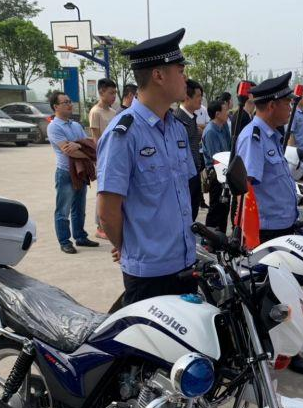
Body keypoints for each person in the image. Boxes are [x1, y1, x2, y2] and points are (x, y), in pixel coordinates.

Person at [97, 27, 197, 305]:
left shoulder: (176, 128)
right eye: (180, 69)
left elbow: (182, 194)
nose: (185, 77)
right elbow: (107, 211)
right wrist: (128, 248)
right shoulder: (124, 133)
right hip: (150, 276)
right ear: (159, 75)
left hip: (186, 263)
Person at [236, 71, 303, 376]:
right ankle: (270, 351)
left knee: (290, 293)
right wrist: (250, 238)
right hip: (267, 233)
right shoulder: (253, 137)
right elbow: (247, 190)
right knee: (271, 297)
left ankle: (288, 348)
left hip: (283, 227)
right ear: (270, 106)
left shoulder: (270, 135)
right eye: (285, 103)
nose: (289, 109)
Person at [47, 90, 100, 254]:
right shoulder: (54, 127)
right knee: (63, 209)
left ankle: (80, 236)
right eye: (66, 102)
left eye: (70, 101)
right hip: (65, 172)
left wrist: (78, 145)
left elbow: (89, 144)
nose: (70, 104)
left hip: (80, 171)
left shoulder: (75, 125)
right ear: (56, 106)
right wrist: (82, 148)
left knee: (79, 207)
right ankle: (64, 241)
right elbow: (68, 151)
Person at [89, 78, 119, 240]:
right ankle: (99, 226)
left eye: (115, 93)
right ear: (101, 92)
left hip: (114, 157)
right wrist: (99, 160)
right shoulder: (95, 112)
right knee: (103, 192)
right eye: (110, 93)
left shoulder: (114, 113)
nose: (114, 96)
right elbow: (96, 138)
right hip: (103, 158)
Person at [173, 79, 206, 218]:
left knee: (193, 211)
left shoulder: (191, 118)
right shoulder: (177, 119)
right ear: (187, 97)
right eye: (198, 96)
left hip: (194, 173)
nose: (201, 100)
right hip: (184, 177)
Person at [202, 98, 231, 233]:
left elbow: (230, 148)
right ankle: (210, 240)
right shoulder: (210, 132)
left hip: (226, 173)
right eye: (225, 110)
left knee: (224, 208)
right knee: (215, 208)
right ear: (217, 114)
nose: (228, 112)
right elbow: (216, 158)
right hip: (216, 174)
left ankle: (221, 237)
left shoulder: (224, 126)